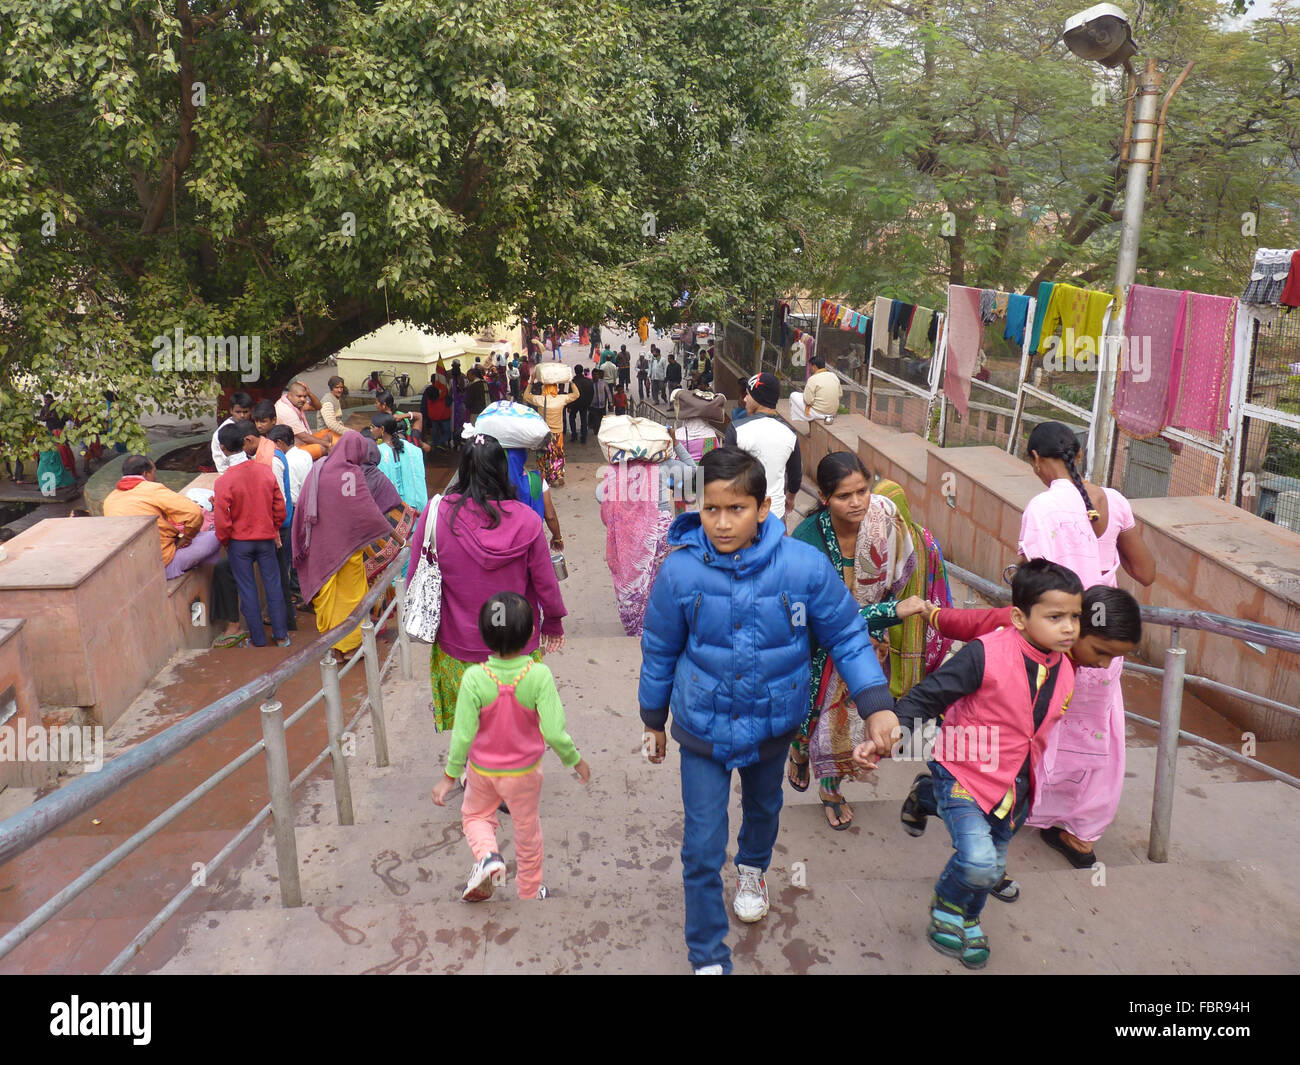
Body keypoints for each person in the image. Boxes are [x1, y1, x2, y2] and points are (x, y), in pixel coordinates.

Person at [639, 447, 897, 975]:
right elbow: (660, 649)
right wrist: (652, 720)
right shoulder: (680, 572)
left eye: (736, 509)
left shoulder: (803, 569)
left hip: (773, 724)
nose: (723, 522)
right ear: (697, 508)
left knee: (762, 811)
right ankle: (708, 955)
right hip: (702, 727)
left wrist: (876, 705)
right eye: (711, 509)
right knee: (701, 845)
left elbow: (847, 634)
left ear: (763, 508)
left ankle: (754, 868)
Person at [856, 559, 1083, 969]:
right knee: (978, 861)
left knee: (992, 863)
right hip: (963, 772)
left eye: (1075, 617)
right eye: (1055, 617)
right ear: (1019, 617)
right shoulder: (985, 654)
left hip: (1017, 788)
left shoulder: (1064, 668)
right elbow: (928, 696)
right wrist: (888, 737)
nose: (1069, 627)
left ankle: (970, 919)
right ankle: (946, 905)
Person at [902, 585, 1144, 901]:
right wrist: (933, 615)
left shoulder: (1066, 666)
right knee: (973, 801)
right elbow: (973, 623)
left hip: (1015, 754)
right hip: (970, 742)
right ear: (1077, 626)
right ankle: (957, 891)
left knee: (1009, 810)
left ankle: (987, 859)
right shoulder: (1019, 626)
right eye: (1101, 652)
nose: (1103, 665)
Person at [1017, 421, 1156, 866]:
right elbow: (1146, 572)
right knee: (1100, 730)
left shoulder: (1042, 507)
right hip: (1105, 643)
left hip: (1060, 643)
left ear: (1037, 459)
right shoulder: (1114, 501)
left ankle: (1029, 808)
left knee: (1045, 723)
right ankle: (1081, 833)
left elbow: (1034, 584)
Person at [788, 454, 930, 829]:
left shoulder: (884, 524)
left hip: (865, 648)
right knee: (810, 719)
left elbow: (912, 557)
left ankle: (830, 788)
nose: (856, 503)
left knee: (848, 722)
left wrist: (890, 613)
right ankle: (801, 754)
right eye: (844, 496)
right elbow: (825, 620)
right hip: (816, 647)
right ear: (823, 497)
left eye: (863, 491)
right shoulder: (805, 543)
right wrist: (892, 612)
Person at [431, 592, 591, 901]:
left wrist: (450, 776)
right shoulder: (538, 675)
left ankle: (489, 857)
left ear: (483, 634)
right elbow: (554, 732)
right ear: (531, 632)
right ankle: (530, 891)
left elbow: (463, 735)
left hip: (480, 771)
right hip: (525, 774)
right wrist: (574, 760)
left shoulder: (475, 678)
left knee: (476, 817)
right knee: (527, 830)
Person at [407, 435, 568, 731]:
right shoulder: (528, 520)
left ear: (463, 469)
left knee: (470, 723)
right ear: (502, 470)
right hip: (516, 646)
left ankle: (472, 771)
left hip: (457, 646)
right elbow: (545, 581)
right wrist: (554, 621)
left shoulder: (436, 512)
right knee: (512, 722)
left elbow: (415, 572)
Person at [291, 431, 398, 661]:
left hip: (320, 549)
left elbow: (302, 506)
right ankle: (349, 647)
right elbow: (366, 511)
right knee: (352, 597)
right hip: (348, 548)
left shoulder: (317, 469)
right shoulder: (351, 474)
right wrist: (398, 539)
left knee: (326, 596)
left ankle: (333, 648)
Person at [597, 428, 696, 636]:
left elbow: (600, 495)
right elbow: (692, 469)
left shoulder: (618, 469)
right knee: (657, 578)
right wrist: (676, 443)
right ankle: (658, 622)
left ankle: (636, 623)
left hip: (629, 532)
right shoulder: (663, 464)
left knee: (633, 576)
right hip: (659, 530)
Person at [213, 420, 290, 648]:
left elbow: (221, 519)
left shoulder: (224, 481)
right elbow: (279, 507)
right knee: (273, 586)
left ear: (224, 448)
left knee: (248, 590)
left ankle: (257, 639)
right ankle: (281, 636)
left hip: (239, 542)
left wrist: (226, 540)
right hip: (265, 538)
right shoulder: (264, 472)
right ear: (244, 442)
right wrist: (273, 527)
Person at [102, 455, 220, 579]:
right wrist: (187, 538)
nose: (155, 476)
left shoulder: (109, 499)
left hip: (130, 566)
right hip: (161, 564)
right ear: (146, 473)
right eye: (154, 472)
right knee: (216, 535)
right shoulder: (151, 489)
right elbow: (194, 513)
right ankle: (213, 585)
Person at [723, 372, 800, 522]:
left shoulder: (737, 429)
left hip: (742, 516)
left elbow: (727, 474)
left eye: (748, 395)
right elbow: (795, 476)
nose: (745, 399)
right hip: (776, 515)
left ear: (758, 398)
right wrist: (790, 498)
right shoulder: (790, 434)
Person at [524, 376, 578, 487]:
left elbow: (525, 396)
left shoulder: (540, 399)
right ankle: (558, 475)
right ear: (555, 388)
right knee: (557, 455)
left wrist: (530, 382)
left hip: (543, 434)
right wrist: (570, 382)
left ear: (544, 389)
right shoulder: (561, 399)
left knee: (543, 455)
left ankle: (544, 475)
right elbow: (576, 394)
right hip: (558, 433)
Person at [372, 412, 428, 511]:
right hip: (414, 506)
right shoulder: (412, 449)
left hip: (391, 509)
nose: (371, 430)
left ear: (382, 429)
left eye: (373, 427)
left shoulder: (377, 452)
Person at [276, 381, 333, 460]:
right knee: (323, 447)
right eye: (299, 396)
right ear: (289, 395)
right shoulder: (285, 410)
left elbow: (318, 407)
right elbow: (304, 437)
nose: (303, 399)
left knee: (329, 435)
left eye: (304, 396)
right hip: (292, 450)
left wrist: (309, 393)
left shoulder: (293, 402)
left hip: (302, 440)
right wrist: (327, 444)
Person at [790, 355, 842, 424]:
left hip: (819, 413)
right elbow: (840, 394)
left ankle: (810, 424)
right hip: (833, 412)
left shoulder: (812, 379)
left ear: (814, 367)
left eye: (810, 366)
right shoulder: (833, 376)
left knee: (793, 395)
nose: (809, 369)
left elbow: (808, 401)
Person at [211, 392, 254, 474]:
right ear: (231, 411)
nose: (242, 416)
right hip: (229, 472)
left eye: (245, 412)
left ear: (251, 411)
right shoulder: (222, 433)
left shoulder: (250, 426)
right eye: (238, 412)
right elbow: (223, 462)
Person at [422, 372, 453, 451]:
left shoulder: (427, 390)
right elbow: (449, 402)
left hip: (433, 415)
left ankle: (436, 446)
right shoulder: (443, 390)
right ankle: (439, 443)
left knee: (435, 431)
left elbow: (424, 403)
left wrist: (424, 414)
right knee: (448, 432)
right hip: (444, 414)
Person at [319, 376, 349, 445]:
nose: (339, 390)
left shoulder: (335, 398)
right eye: (337, 387)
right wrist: (349, 432)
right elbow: (331, 424)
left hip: (334, 432)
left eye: (341, 388)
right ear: (331, 388)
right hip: (326, 435)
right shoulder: (327, 402)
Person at [568, 365, 593, 444]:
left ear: (575, 371)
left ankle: (574, 435)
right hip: (584, 403)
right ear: (582, 371)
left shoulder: (573, 382)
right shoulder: (588, 381)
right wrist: (589, 403)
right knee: (583, 420)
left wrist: (569, 406)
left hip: (575, 403)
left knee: (572, 418)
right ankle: (583, 437)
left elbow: (570, 394)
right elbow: (592, 393)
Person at [589, 366, 611, 442]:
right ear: (592, 375)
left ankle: (602, 432)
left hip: (602, 405)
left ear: (599, 375)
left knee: (602, 419)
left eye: (597, 374)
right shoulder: (590, 383)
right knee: (596, 419)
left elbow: (608, 393)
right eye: (594, 374)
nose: (595, 376)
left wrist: (611, 403)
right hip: (593, 405)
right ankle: (596, 432)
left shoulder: (603, 383)